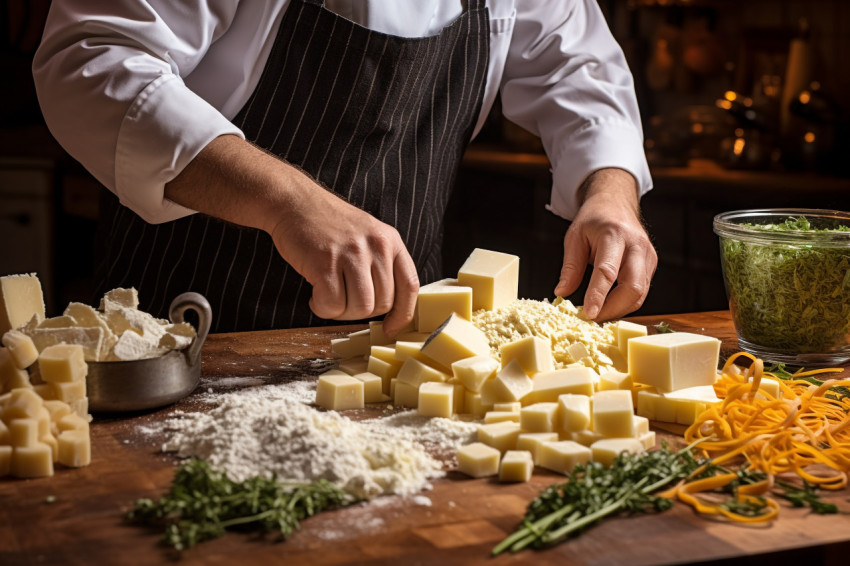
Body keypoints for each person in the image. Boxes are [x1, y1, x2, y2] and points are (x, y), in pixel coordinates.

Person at [33, 0, 657, 336]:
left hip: (403, 342)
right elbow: (90, 60)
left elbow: (577, 68)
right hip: (193, 326)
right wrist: (287, 201)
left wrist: (610, 191)